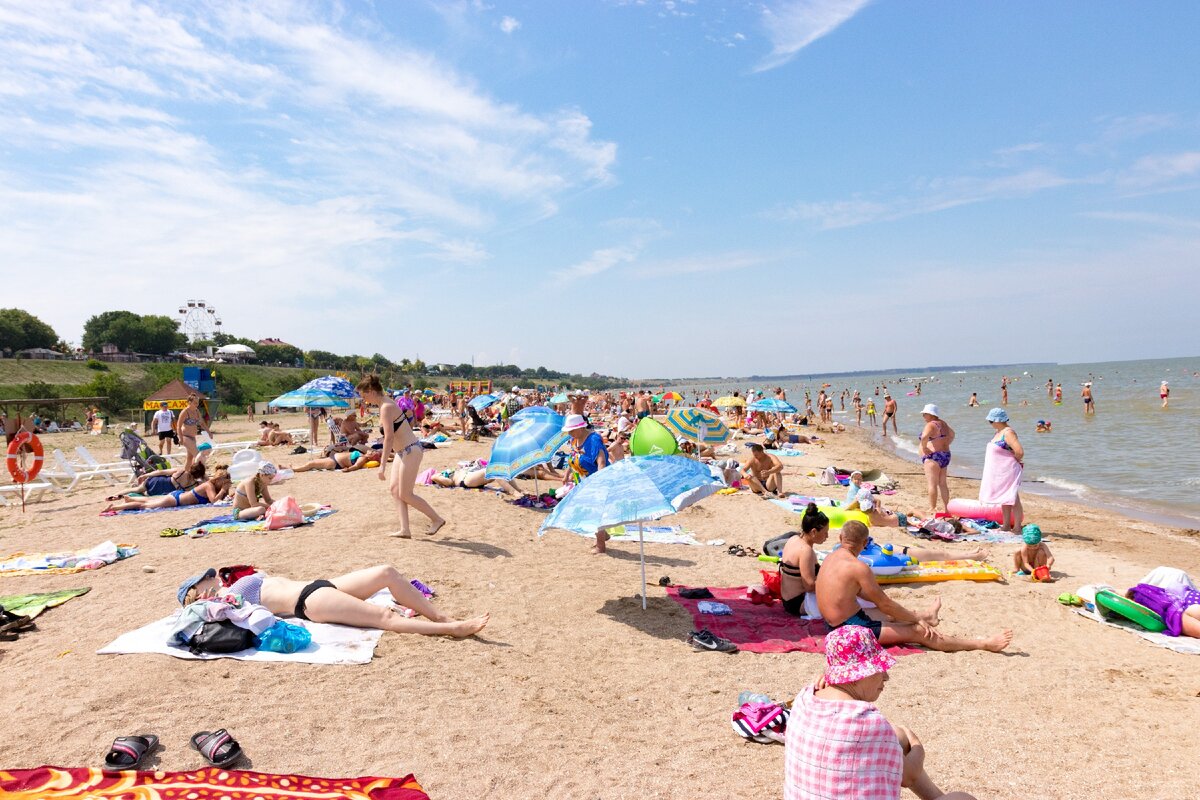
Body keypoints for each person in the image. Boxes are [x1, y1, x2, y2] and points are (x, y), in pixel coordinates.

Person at [784, 625, 979, 800]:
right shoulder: (869, 723)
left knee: (897, 736)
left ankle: (936, 796)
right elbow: (909, 776)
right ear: (856, 677)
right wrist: (918, 745)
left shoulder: (804, 697)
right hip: (882, 747)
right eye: (879, 669)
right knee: (963, 798)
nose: (886, 677)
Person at [816, 521, 1013, 653]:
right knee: (919, 631)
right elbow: (886, 605)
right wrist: (916, 620)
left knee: (887, 613)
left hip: (832, 624)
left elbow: (860, 595)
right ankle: (983, 643)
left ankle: (927, 615)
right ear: (865, 542)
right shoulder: (858, 567)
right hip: (849, 631)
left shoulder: (829, 559)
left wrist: (904, 613)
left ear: (841, 538)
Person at [177, 564, 488, 638]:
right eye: (193, 598)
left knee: (387, 573)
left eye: (198, 588)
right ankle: (453, 629)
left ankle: (439, 616)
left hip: (319, 586)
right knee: (384, 616)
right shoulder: (221, 602)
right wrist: (202, 605)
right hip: (308, 601)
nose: (200, 595)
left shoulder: (229, 582)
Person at [357, 375, 445, 538]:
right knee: (394, 490)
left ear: (371, 391)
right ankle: (405, 529)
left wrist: (382, 465)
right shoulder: (385, 404)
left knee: (406, 494)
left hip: (410, 450)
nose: (364, 400)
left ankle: (437, 519)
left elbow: (389, 437)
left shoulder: (386, 407)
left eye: (364, 395)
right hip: (402, 452)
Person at [563, 414, 611, 553]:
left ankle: (600, 546)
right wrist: (567, 474)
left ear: (581, 428)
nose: (569, 433)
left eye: (571, 430)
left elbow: (601, 462)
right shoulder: (574, 440)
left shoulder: (594, 440)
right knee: (587, 511)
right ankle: (603, 535)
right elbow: (573, 457)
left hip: (595, 479)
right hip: (581, 480)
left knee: (594, 512)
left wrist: (598, 482)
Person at [779, 504, 829, 617]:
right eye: (825, 532)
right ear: (814, 532)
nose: (827, 536)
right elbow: (809, 586)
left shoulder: (793, 539)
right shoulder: (806, 551)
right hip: (799, 603)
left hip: (788, 600)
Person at [103, 471, 232, 513]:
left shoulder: (212, 486)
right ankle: (114, 507)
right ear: (219, 480)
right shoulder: (208, 485)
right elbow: (215, 501)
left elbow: (219, 499)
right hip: (175, 500)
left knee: (150, 501)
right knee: (144, 506)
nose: (225, 485)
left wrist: (228, 493)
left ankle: (130, 499)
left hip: (176, 497)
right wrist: (224, 490)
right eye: (224, 482)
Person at [980, 408, 1024, 531]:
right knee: (1005, 497)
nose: (990, 423)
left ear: (997, 420)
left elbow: (1019, 452)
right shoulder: (998, 432)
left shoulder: (1008, 432)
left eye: (991, 421)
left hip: (1008, 470)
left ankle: (1017, 527)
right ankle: (1005, 525)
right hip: (1000, 472)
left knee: (1013, 497)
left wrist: (1011, 462)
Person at [917, 404, 954, 518]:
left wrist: (924, 448)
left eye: (925, 414)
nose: (923, 416)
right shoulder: (943, 423)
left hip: (933, 456)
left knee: (932, 484)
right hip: (945, 455)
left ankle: (932, 507)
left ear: (931, 414)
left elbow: (924, 437)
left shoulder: (930, 425)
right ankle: (947, 508)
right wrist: (946, 443)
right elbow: (952, 434)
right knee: (943, 483)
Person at [108, 463, 206, 501]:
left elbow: (161, 471)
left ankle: (112, 496)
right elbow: (207, 481)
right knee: (142, 494)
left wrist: (145, 475)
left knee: (137, 489)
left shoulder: (181, 471)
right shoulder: (193, 485)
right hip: (163, 491)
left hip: (157, 481)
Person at [844, 471, 909, 528]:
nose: (857, 481)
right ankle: (900, 514)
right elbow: (854, 502)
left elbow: (855, 503)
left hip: (898, 520)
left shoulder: (872, 519)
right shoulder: (853, 489)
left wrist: (846, 510)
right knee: (888, 513)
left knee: (886, 512)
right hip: (899, 519)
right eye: (855, 479)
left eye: (859, 479)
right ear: (852, 480)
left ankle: (895, 512)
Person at [174, 394, 210, 473]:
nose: (197, 404)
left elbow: (202, 423)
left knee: (189, 458)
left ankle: (186, 474)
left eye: (197, 402)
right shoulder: (185, 412)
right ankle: (202, 474)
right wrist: (180, 438)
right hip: (185, 436)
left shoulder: (197, 411)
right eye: (195, 402)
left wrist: (208, 432)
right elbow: (178, 426)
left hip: (192, 437)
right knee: (198, 455)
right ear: (189, 402)